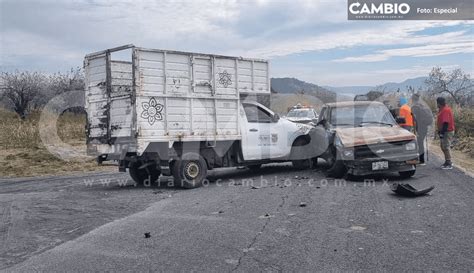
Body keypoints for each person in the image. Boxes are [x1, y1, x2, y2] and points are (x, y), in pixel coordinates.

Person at [411, 93, 433, 165]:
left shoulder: (415, 108)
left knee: (419, 144)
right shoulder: (422, 106)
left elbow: (414, 119)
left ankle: (421, 160)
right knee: (420, 143)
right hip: (424, 128)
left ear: (413, 99)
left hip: (418, 128)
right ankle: (421, 159)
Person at [436, 97, 455, 170]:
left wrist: (442, 133)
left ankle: (449, 163)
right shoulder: (442, 109)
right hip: (444, 131)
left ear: (439, 103)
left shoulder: (446, 110)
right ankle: (447, 161)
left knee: (446, 146)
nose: (436, 104)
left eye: (437, 103)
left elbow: (446, 123)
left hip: (447, 131)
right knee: (443, 146)